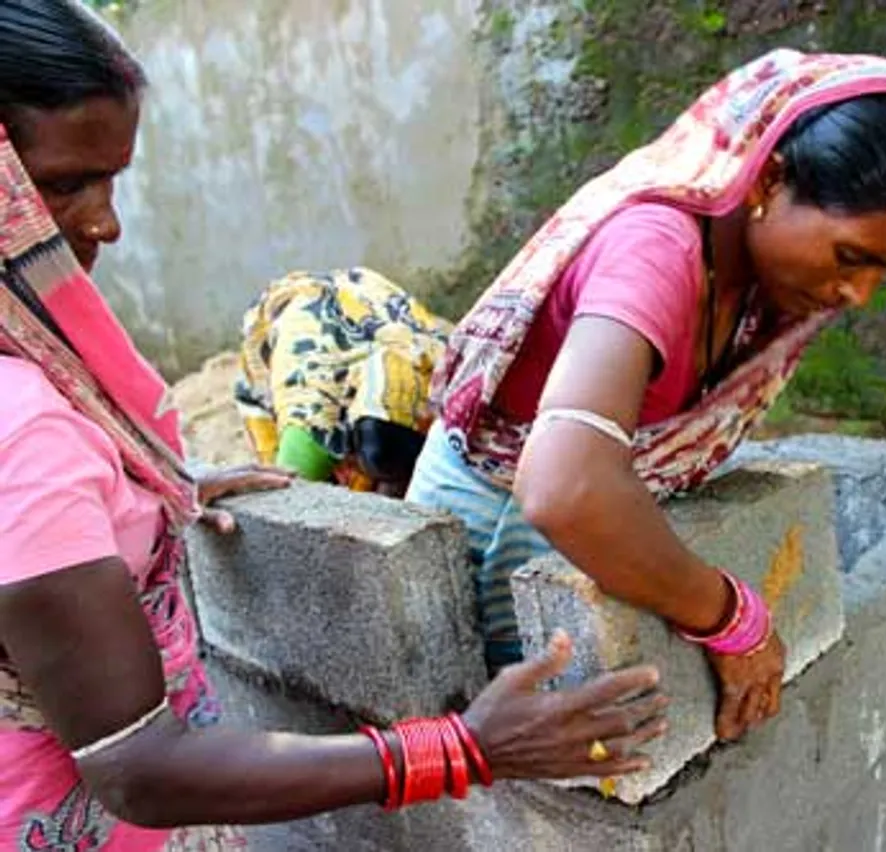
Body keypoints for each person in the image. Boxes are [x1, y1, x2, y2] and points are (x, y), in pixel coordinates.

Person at [0, 4, 665, 850]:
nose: (106, 222)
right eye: (65, 185)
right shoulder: (25, 434)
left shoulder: (42, 395)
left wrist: (146, 480)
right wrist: (460, 748)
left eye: (112, 182)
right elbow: (138, 766)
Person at [407, 48, 886, 741]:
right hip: (487, 546)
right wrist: (732, 616)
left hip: (572, 546)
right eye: (852, 257)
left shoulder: (757, 291)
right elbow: (566, 489)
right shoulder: (656, 251)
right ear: (769, 178)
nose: (858, 295)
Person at [235, 267, 453, 497]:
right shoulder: (307, 432)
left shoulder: (435, 373)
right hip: (302, 329)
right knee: (290, 487)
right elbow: (283, 509)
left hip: (371, 304)